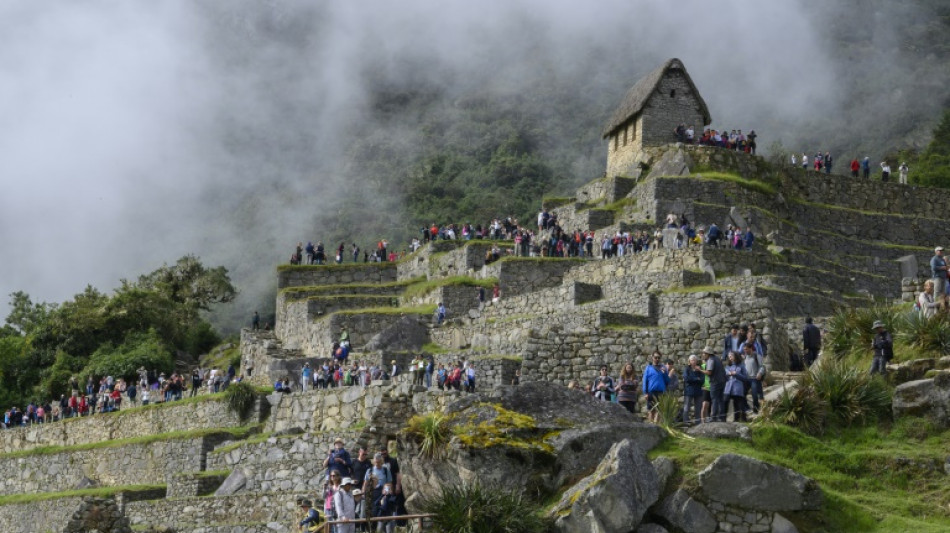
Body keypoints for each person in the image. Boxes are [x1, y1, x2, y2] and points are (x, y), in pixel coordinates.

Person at [642, 352, 670, 424]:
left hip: (661, 392)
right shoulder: (648, 368)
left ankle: (656, 426)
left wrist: (665, 374)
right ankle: (650, 426)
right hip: (651, 392)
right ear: (652, 357)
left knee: (659, 410)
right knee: (651, 410)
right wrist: (645, 393)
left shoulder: (663, 368)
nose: (657, 359)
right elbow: (645, 381)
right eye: (655, 357)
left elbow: (667, 381)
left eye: (658, 358)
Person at [702, 346, 727, 422]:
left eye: (704, 353)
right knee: (720, 400)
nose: (703, 354)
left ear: (708, 354)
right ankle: (722, 417)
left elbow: (709, 372)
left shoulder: (710, 360)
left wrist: (699, 370)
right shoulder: (717, 359)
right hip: (722, 382)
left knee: (714, 400)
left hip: (715, 383)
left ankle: (713, 417)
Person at [724, 351, 749, 422]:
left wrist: (736, 374)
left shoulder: (741, 365)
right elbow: (724, 377)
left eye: (731, 356)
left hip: (737, 388)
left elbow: (745, 378)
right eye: (729, 356)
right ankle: (723, 419)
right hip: (728, 388)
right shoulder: (727, 366)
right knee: (725, 402)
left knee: (738, 405)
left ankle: (740, 420)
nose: (730, 358)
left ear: (735, 356)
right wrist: (727, 374)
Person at [742, 342, 766, 414]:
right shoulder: (745, 357)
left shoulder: (757, 356)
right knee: (742, 394)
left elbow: (762, 367)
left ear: (751, 348)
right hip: (746, 379)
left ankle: (756, 410)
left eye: (746, 349)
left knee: (755, 395)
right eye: (744, 349)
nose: (745, 351)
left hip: (754, 379)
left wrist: (760, 373)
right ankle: (747, 408)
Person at [682, 355, 704, 425]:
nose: (694, 361)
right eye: (692, 360)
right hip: (689, 391)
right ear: (689, 361)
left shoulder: (700, 369)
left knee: (698, 408)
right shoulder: (687, 369)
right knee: (686, 408)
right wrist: (696, 379)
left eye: (695, 360)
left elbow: (702, 380)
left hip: (698, 391)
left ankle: (698, 422)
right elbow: (686, 379)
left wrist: (694, 379)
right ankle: (685, 422)